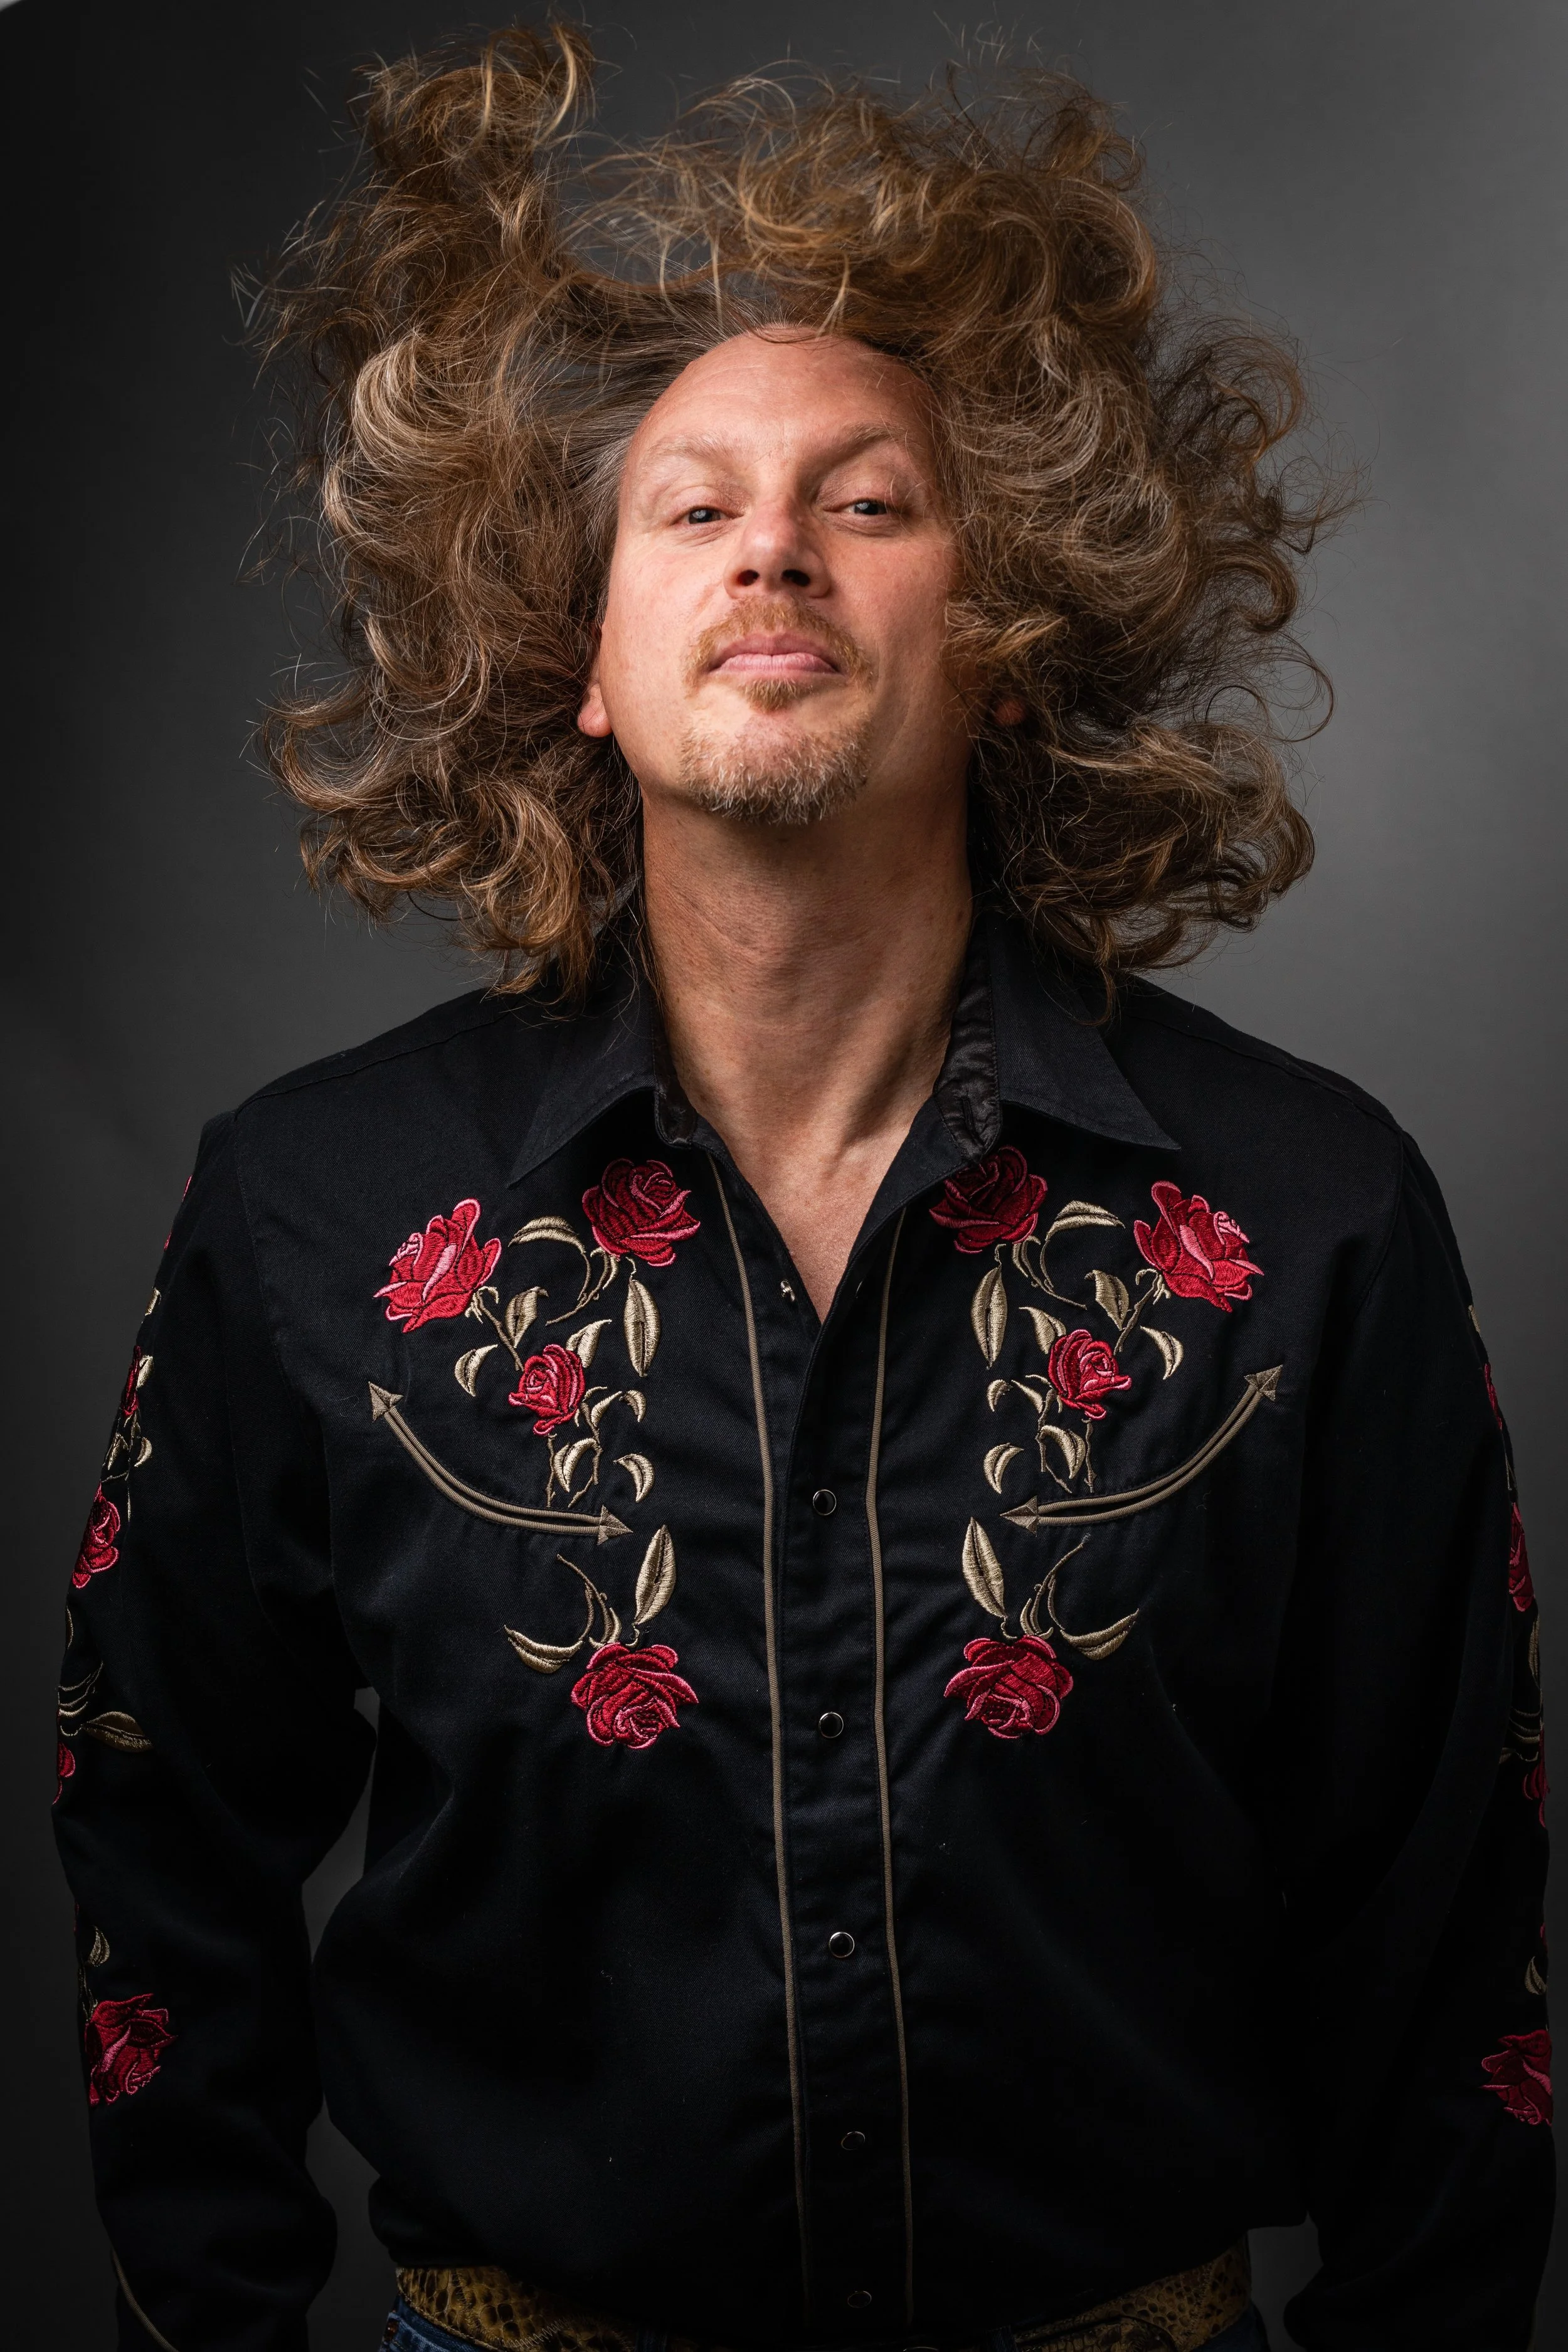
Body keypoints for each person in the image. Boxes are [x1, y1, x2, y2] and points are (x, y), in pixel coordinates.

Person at [54, 26, 1552, 2352]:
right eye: (691, 509)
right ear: (579, 662)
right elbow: (159, 1831)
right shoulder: (311, 1206)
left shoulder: (1310, 1212)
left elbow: (1440, 1911)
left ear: (1010, 642)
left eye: (867, 501)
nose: (771, 544)